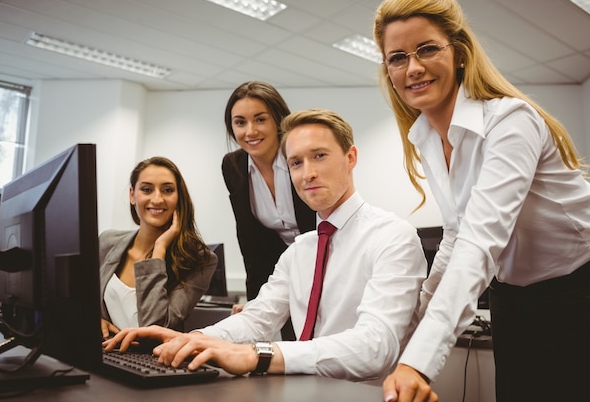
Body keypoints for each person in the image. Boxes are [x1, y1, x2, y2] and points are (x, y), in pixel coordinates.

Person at [373, 0, 590, 402]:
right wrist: (409, 327)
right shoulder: (424, 136)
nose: (414, 67)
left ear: (458, 53)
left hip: (582, 292)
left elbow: (481, 242)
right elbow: (457, 235)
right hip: (513, 297)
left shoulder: (510, 121)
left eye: (426, 49)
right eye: (398, 57)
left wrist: (419, 360)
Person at [104, 109, 427, 381]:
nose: (308, 173)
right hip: (300, 391)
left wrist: (256, 355)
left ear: (350, 157)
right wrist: (193, 339)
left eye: (319, 156)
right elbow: (258, 318)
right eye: (296, 163)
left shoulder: (391, 236)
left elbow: (376, 346)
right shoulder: (300, 250)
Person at [221, 81, 315, 340]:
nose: (250, 131)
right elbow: (250, 242)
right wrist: (255, 304)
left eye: (260, 119)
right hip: (281, 271)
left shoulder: (300, 156)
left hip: (325, 259)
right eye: (240, 122)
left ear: (278, 120)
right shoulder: (234, 166)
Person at [99, 156, 217, 338]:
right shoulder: (108, 242)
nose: (157, 199)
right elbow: (81, 301)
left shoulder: (200, 259)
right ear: (132, 195)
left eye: (167, 190)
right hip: (105, 354)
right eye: (146, 189)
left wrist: (159, 250)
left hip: (151, 363)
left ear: (179, 197)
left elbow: (156, 327)